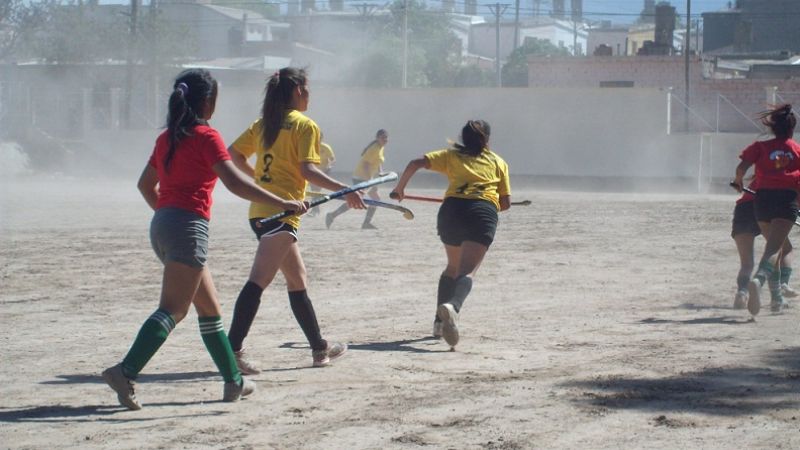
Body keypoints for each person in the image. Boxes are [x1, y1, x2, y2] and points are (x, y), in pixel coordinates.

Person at [102, 69, 305, 410]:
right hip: (186, 227)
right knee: (174, 309)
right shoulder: (205, 136)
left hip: (163, 224)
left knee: (209, 311)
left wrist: (168, 215)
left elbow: (144, 186)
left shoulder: (167, 138)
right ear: (208, 102)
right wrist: (282, 201)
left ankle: (234, 381)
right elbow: (235, 183)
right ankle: (125, 371)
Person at [227, 67, 365, 373]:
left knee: (297, 279)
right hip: (280, 214)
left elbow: (234, 155)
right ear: (298, 91)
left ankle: (319, 348)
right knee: (258, 281)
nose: (310, 95)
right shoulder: (305, 126)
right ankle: (231, 351)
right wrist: (346, 190)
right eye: (308, 89)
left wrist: (260, 186)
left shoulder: (263, 124)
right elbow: (308, 171)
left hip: (262, 211)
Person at [390, 120, 511, 347]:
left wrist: (400, 189)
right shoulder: (498, 162)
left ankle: (438, 323)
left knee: (452, 267)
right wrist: (489, 201)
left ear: (464, 138)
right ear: (487, 140)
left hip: (451, 210)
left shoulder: (452, 156)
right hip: (481, 212)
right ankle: (453, 306)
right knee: (467, 271)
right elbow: (505, 203)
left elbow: (415, 163)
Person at [733, 104, 800, 315]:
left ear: (773, 127)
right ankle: (759, 281)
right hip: (786, 200)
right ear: (791, 129)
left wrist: (737, 181)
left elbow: (742, 167)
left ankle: (777, 299)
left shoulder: (761, 147)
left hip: (762, 200)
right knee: (774, 249)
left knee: (776, 247)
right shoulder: (797, 149)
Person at [730, 178, 797, 310]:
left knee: (747, 264)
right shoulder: (789, 178)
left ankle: (742, 293)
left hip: (743, 210)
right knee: (782, 249)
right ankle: (780, 290)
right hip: (764, 208)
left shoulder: (764, 174)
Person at [326, 129, 388, 230]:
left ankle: (366, 223)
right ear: (377, 138)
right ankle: (332, 215)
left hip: (368, 178)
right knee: (355, 200)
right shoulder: (374, 148)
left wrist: (380, 172)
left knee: (375, 198)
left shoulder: (381, 147)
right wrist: (370, 179)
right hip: (361, 177)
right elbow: (366, 164)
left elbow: (378, 161)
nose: (385, 140)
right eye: (383, 138)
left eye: (386, 138)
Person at [306, 136, 336, 217]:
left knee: (316, 191)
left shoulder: (325, 147)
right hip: (313, 171)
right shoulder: (310, 147)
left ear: (321, 138)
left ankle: (315, 210)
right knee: (314, 191)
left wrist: (329, 166)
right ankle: (316, 209)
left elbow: (332, 159)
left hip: (323, 172)